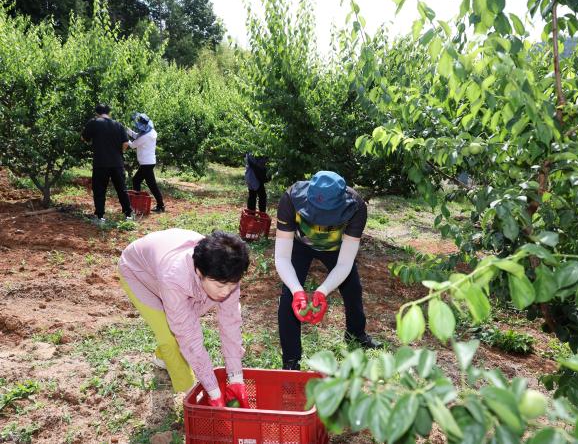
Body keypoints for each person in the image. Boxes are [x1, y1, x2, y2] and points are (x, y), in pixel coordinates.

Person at [118, 229, 250, 407]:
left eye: (232, 285)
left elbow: (230, 323)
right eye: (220, 285)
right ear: (199, 272)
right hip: (137, 272)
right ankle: (190, 394)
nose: (226, 291)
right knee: (171, 338)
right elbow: (189, 337)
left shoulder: (227, 271)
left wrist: (236, 379)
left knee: (180, 319)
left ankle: (162, 357)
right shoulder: (175, 278)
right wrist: (212, 391)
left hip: (164, 262)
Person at [274, 171, 382, 370]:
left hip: (335, 249)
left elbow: (345, 263)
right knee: (288, 296)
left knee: (353, 288)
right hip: (300, 245)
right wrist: (298, 290)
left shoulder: (357, 207)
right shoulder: (290, 199)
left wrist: (322, 291)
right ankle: (291, 360)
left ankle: (356, 334)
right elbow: (281, 257)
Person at [81, 104, 133, 223]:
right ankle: (129, 215)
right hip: (117, 163)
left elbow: (84, 138)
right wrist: (118, 153)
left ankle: (100, 217)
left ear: (97, 113)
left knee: (99, 190)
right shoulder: (118, 125)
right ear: (109, 113)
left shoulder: (93, 122)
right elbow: (125, 143)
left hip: (100, 162)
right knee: (121, 189)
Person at [126, 113, 165, 213]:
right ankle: (159, 205)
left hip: (146, 163)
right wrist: (126, 130)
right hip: (148, 162)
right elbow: (136, 136)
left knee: (142, 182)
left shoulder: (146, 136)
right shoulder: (150, 131)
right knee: (141, 181)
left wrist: (124, 138)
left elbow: (133, 145)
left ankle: (156, 205)